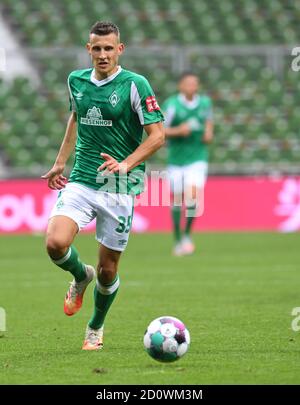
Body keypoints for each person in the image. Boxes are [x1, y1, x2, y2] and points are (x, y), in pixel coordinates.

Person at [42, 21, 164, 351]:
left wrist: (126, 163)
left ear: (119, 50)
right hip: (82, 178)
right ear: (88, 49)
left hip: (120, 185)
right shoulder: (76, 80)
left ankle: (95, 326)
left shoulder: (135, 84)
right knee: (55, 243)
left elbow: (158, 136)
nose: (103, 54)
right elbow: (76, 118)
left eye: (109, 48)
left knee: (108, 271)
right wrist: (59, 162)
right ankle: (80, 276)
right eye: (96, 48)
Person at [162, 72, 213, 256]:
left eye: (195, 83)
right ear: (181, 86)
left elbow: (208, 121)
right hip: (176, 159)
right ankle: (176, 239)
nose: (192, 86)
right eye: (188, 83)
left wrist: (208, 132)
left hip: (197, 157)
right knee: (177, 200)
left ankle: (187, 235)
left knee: (192, 197)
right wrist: (178, 131)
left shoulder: (205, 103)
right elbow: (160, 131)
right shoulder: (172, 105)